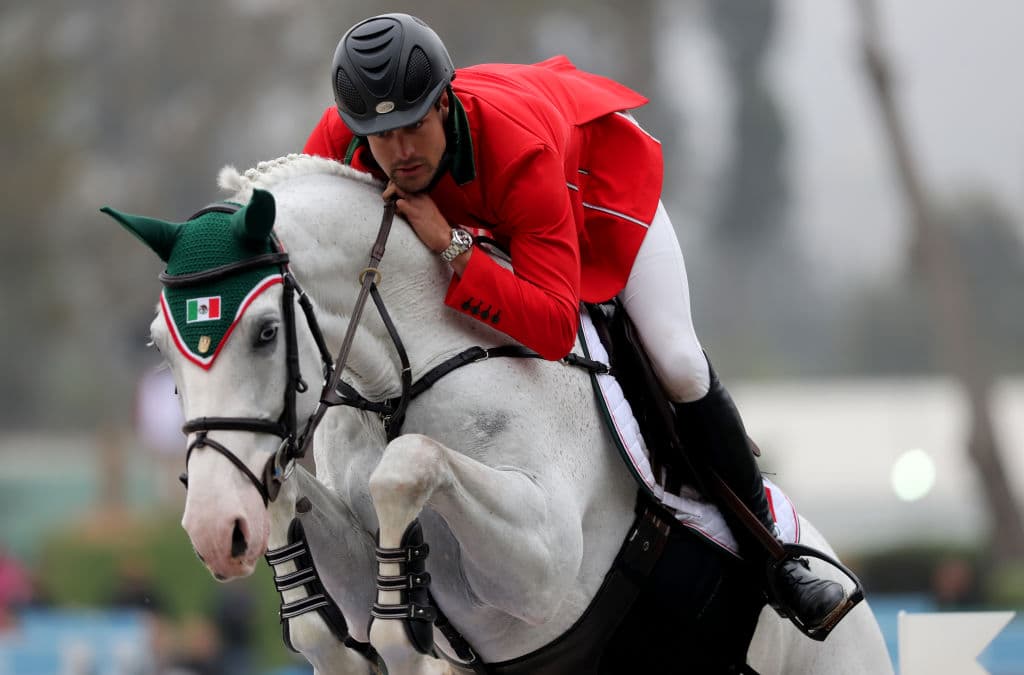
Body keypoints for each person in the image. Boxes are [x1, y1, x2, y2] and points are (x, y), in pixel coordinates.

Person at [303, 12, 846, 635]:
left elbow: (556, 327)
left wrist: (452, 246)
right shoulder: (340, 140)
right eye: (380, 135)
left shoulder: (515, 146)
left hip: (590, 188)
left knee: (676, 360)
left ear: (444, 101)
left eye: (414, 126)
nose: (398, 152)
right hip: (492, 220)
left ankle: (775, 556)